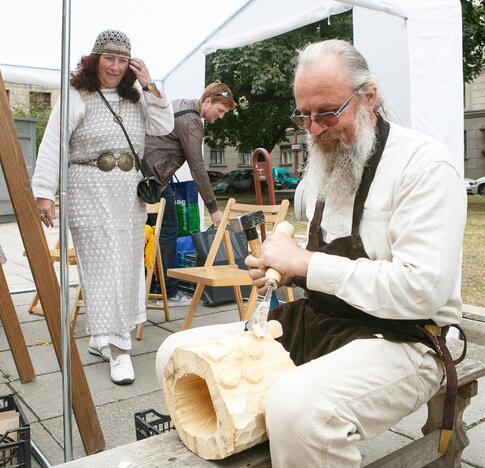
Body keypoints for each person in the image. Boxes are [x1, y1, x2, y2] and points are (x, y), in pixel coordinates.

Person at [155, 39, 467, 467]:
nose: (315, 128)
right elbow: (325, 257)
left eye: (327, 112)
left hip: (407, 336)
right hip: (325, 319)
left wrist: (305, 264)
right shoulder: (326, 164)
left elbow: (423, 289)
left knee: (298, 409)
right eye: (304, 115)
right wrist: (285, 268)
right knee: (175, 353)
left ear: (368, 97)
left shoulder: (425, 166)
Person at [32, 30, 174, 385]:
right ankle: (119, 350)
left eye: (122, 60)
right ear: (95, 59)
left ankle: (104, 338)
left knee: (126, 266)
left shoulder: (137, 95)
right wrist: (45, 192)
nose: (115, 66)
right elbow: (54, 142)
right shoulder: (78, 94)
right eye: (108, 58)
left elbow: (162, 124)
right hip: (87, 188)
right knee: (101, 267)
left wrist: (150, 83)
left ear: (131, 64)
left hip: (127, 193)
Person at [143, 82, 236, 306]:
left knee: (147, 235)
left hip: (142, 176)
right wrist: (213, 208)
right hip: (154, 181)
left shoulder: (179, 105)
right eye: (220, 110)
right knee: (167, 232)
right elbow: (197, 167)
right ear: (207, 101)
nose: (220, 116)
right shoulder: (193, 121)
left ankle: (149, 288)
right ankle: (169, 292)